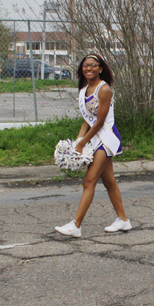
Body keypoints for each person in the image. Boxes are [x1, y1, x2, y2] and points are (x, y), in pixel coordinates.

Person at [55, 54, 131, 238]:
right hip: (95, 138)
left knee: (89, 180)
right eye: (85, 66)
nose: (88, 69)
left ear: (100, 68)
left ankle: (76, 225)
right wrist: (76, 144)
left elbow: (99, 122)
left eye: (93, 66)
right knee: (109, 181)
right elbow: (86, 121)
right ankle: (123, 220)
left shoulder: (104, 89)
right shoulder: (84, 90)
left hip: (107, 138)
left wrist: (82, 143)